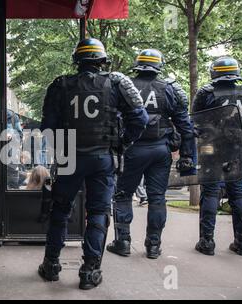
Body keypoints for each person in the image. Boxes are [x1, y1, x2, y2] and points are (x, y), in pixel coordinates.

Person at [37, 38, 149, 290]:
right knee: (98, 212)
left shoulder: (60, 85)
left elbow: (47, 128)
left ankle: (51, 265)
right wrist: (122, 142)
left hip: (70, 158)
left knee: (59, 209)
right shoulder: (118, 83)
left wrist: (61, 150)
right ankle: (89, 271)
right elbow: (140, 118)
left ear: (77, 61)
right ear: (102, 60)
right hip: (102, 157)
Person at [106, 49, 195, 259]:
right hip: (160, 151)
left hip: (132, 150)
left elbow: (111, 118)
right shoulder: (170, 89)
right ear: (159, 65)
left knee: (122, 195)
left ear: (137, 65)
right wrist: (186, 155)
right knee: (157, 198)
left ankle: (123, 242)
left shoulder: (124, 87)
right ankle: (153, 246)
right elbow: (186, 126)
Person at [192, 56, 242, 256]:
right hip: (236, 149)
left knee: (210, 192)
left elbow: (195, 122)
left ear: (214, 72)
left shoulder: (206, 92)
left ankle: (207, 242)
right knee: (237, 193)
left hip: (211, 148)